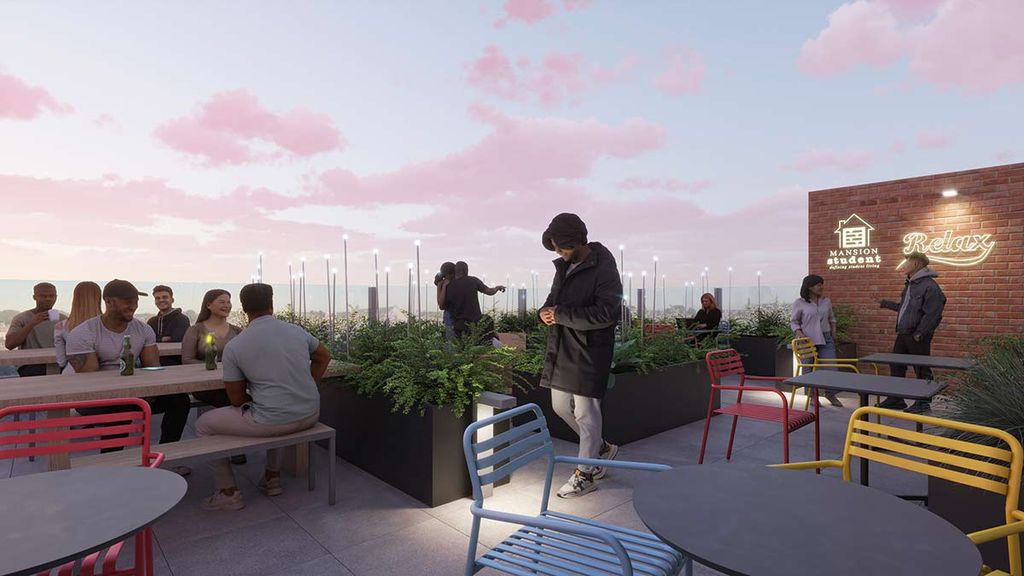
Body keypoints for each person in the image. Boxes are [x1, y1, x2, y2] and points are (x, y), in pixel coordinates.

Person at [195, 283, 330, 511]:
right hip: (310, 413)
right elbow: (324, 357)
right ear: (271, 304)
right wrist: (307, 384)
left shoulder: (236, 346)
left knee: (203, 424)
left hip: (274, 421)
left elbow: (236, 400)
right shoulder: (296, 331)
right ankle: (272, 477)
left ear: (243, 307)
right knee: (273, 409)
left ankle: (228, 492)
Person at [538, 213, 622, 498]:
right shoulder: (563, 266)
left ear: (577, 241)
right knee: (560, 406)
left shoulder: (604, 267)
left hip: (590, 350)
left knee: (586, 413)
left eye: (561, 247)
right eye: (555, 248)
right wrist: (544, 312)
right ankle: (601, 448)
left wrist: (561, 314)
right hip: (563, 347)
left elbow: (606, 313)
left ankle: (585, 474)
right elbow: (553, 300)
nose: (558, 253)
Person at [64, 279, 192, 449]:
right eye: (128, 301)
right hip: (93, 396)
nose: (133, 306)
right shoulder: (83, 333)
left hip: (131, 391)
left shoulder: (143, 329)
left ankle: (166, 451)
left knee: (179, 400)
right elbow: (90, 379)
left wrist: (149, 391)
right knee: (120, 408)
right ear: (108, 301)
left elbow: (152, 367)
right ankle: (112, 460)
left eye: (135, 301)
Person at [878, 252, 947, 413]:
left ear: (916, 264)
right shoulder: (911, 284)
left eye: (907, 262)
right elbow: (907, 310)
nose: (903, 265)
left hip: (917, 336)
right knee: (897, 365)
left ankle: (923, 403)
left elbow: (933, 313)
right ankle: (896, 399)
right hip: (903, 333)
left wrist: (920, 333)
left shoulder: (929, 286)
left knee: (921, 368)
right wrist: (886, 304)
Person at [791, 275, 843, 407]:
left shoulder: (826, 301)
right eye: (818, 285)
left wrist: (834, 333)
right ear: (809, 287)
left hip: (826, 338)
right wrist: (799, 332)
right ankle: (812, 397)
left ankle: (830, 394)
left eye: (821, 284)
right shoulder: (799, 303)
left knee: (832, 368)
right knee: (808, 369)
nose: (821, 287)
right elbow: (794, 322)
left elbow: (832, 318)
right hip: (807, 340)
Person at [4, 282, 65, 377]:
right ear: (34, 297)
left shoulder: (63, 319)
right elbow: (10, 344)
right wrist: (33, 323)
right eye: (43, 296)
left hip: (59, 364)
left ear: (56, 297)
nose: (48, 299)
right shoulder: (22, 318)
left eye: (51, 296)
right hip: (31, 365)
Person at [439, 261, 505, 340]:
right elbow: (489, 291)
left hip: (459, 325)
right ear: (465, 271)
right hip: (475, 322)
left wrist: (440, 286)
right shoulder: (473, 280)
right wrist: (497, 288)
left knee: (460, 345)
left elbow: (442, 305)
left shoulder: (449, 285)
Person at [54, 281, 103, 374]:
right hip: (104, 374)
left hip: (72, 374)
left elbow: (61, 361)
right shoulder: (107, 325)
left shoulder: (60, 326)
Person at [147, 285, 191, 366]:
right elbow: (146, 340)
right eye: (157, 298)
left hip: (176, 363)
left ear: (172, 300)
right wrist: (162, 339)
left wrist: (156, 339)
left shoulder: (182, 319)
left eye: (165, 297)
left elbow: (176, 339)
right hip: (153, 362)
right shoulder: (151, 321)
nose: (161, 300)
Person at [434, 262, 456, 338]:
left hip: (451, 318)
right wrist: (441, 286)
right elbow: (441, 305)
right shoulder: (445, 283)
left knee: (451, 341)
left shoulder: (447, 284)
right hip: (453, 318)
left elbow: (441, 305)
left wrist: (441, 286)